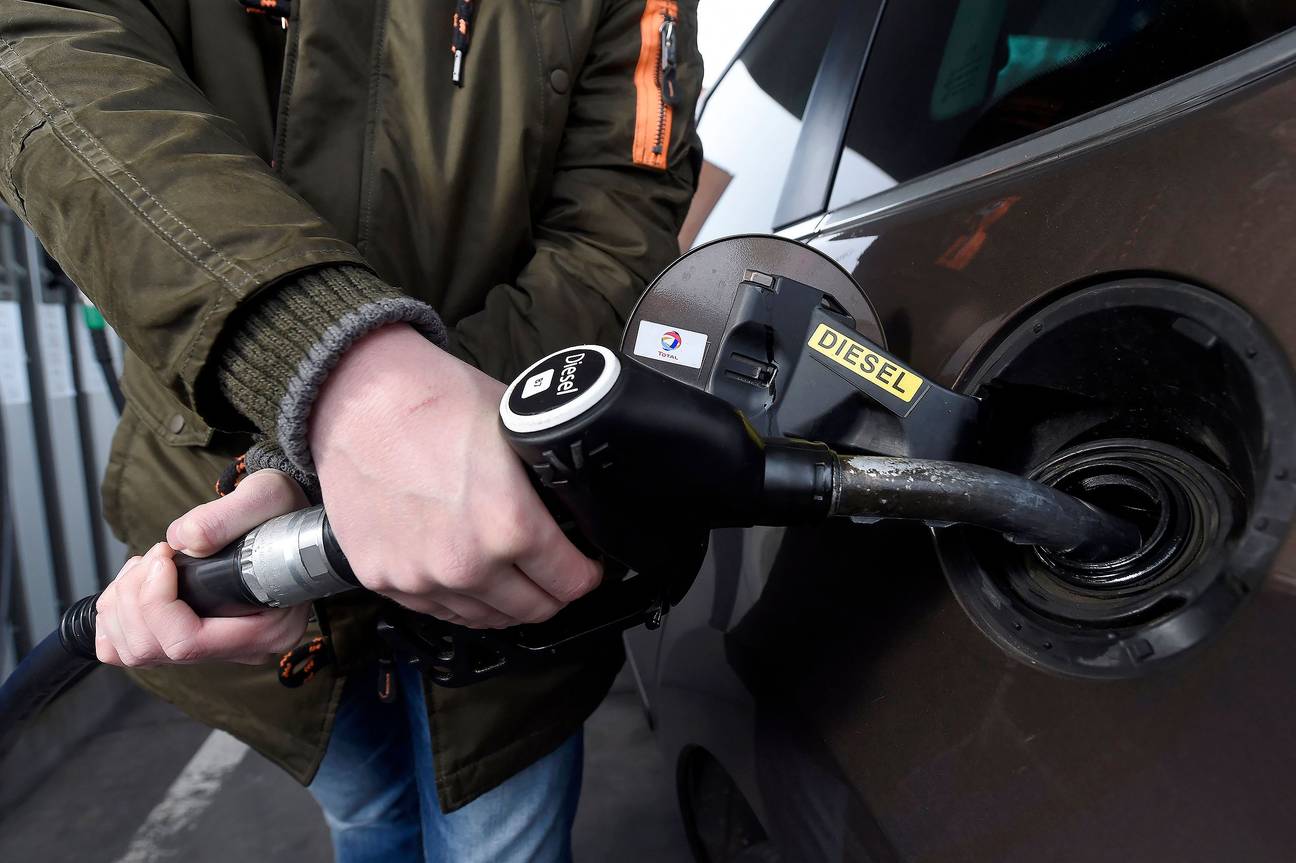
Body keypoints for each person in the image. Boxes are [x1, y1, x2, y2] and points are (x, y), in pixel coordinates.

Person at [0, 1, 701, 860]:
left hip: (508, 560)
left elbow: (619, 213)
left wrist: (408, 413)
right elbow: (43, 46)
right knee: (370, 816)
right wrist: (322, 366)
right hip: (248, 546)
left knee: (499, 838)